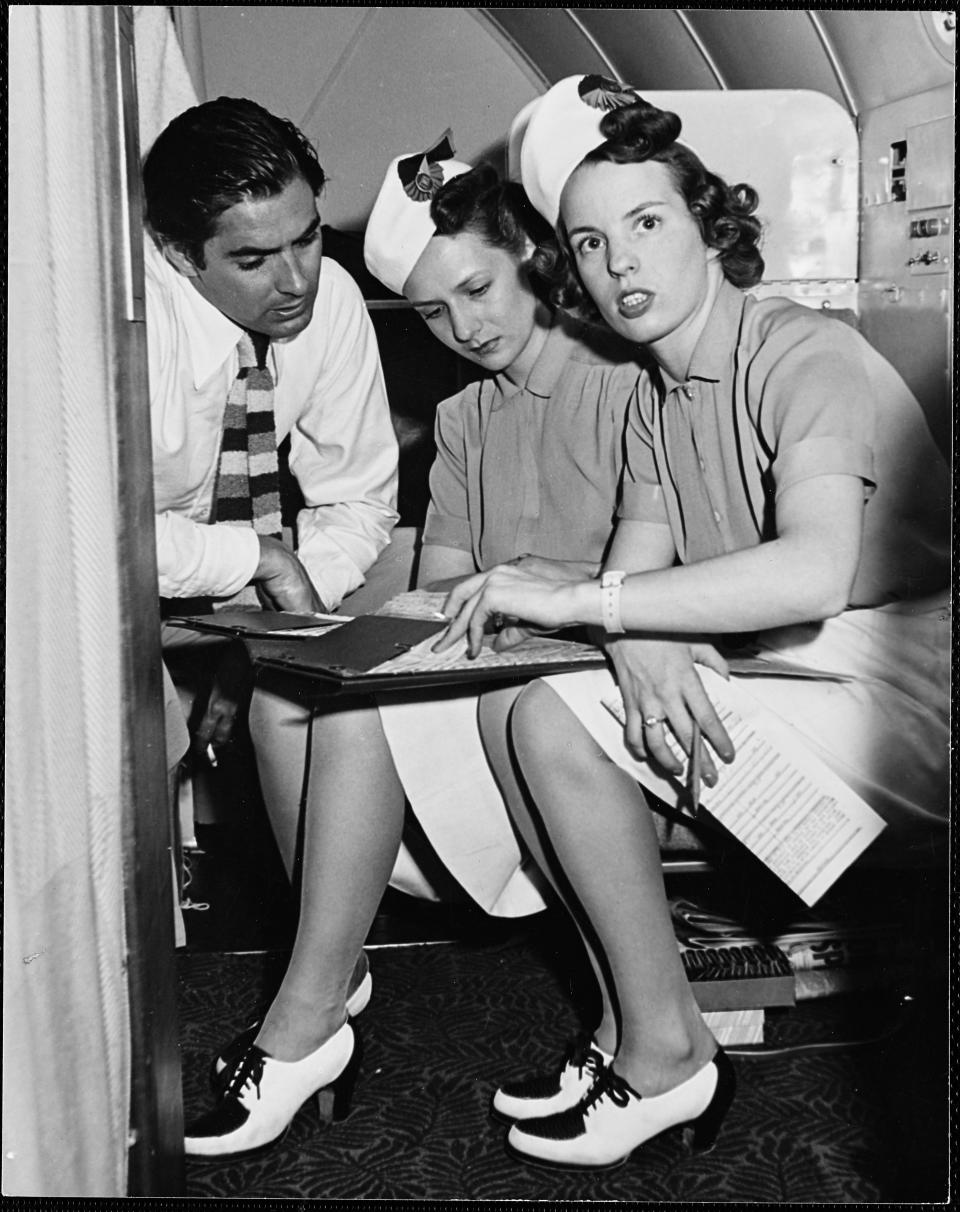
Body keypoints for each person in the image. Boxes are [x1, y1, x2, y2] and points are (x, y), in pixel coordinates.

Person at [436, 75, 951, 1169]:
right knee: (520, 712)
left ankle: (668, 1056)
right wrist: (633, 630)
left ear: (710, 227)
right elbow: (642, 559)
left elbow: (816, 571)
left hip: (918, 673)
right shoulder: (659, 394)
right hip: (814, 665)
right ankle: (639, 1024)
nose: (620, 264)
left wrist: (594, 605)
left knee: (561, 725)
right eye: (587, 242)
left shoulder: (799, 354)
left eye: (647, 223)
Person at [183, 133, 644, 1157]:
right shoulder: (469, 417)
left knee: (352, 713)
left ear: (531, 256)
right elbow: (441, 587)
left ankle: (303, 1025)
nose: (467, 328)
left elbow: (648, 573)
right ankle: (328, 974)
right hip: (518, 651)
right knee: (282, 695)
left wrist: (519, 606)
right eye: (436, 312)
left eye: (479, 289)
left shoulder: (626, 381)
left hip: (609, 652)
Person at [141, 97, 400, 1150]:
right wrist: (254, 561)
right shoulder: (130, 321)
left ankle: (318, 995)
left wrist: (280, 614)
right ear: (174, 249)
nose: (296, 282)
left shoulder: (322, 297)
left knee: (314, 701)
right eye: (255, 260)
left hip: (263, 579)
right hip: (126, 587)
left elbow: (360, 500)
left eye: (309, 239)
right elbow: (93, 527)